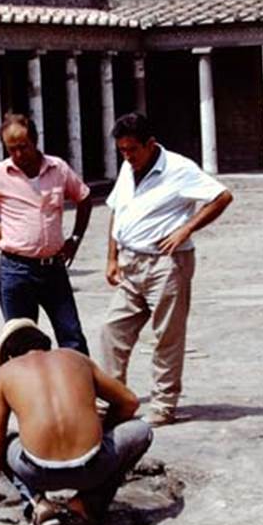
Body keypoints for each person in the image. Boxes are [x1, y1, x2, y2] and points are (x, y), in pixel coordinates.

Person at [101, 113, 234, 427]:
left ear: (151, 144)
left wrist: (186, 229)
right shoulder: (127, 167)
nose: (128, 156)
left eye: (132, 149)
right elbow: (117, 211)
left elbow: (222, 196)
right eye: (122, 150)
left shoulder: (179, 169)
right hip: (130, 263)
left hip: (166, 265)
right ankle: (112, 400)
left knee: (166, 336)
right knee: (112, 330)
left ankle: (163, 405)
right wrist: (111, 257)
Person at [0, 318, 152, 525]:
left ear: (9, 356)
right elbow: (129, 402)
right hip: (94, 467)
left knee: (5, 442)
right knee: (142, 431)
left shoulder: (4, 374)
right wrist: (105, 431)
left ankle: (38, 504)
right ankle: (85, 503)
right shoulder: (75, 358)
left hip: (37, 473)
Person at [0, 112, 93, 354]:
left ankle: (80, 390)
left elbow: (84, 198)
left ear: (35, 141)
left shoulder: (58, 168)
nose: (18, 154)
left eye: (23, 147)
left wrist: (75, 238)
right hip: (16, 271)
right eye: (11, 149)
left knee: (72, 337)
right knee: (22, 344)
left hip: (53, 270)